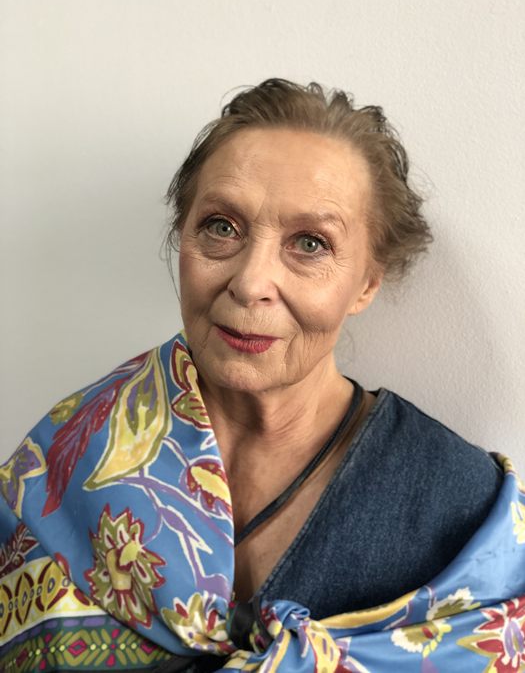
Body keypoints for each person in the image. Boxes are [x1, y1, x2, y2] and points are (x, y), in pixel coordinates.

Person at [0, 79, 523, 672]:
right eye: (221, 227)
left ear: (367, 284)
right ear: (182, 237)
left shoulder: (461, 512)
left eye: (310, 243)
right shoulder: (68, 459)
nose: (250, 283)